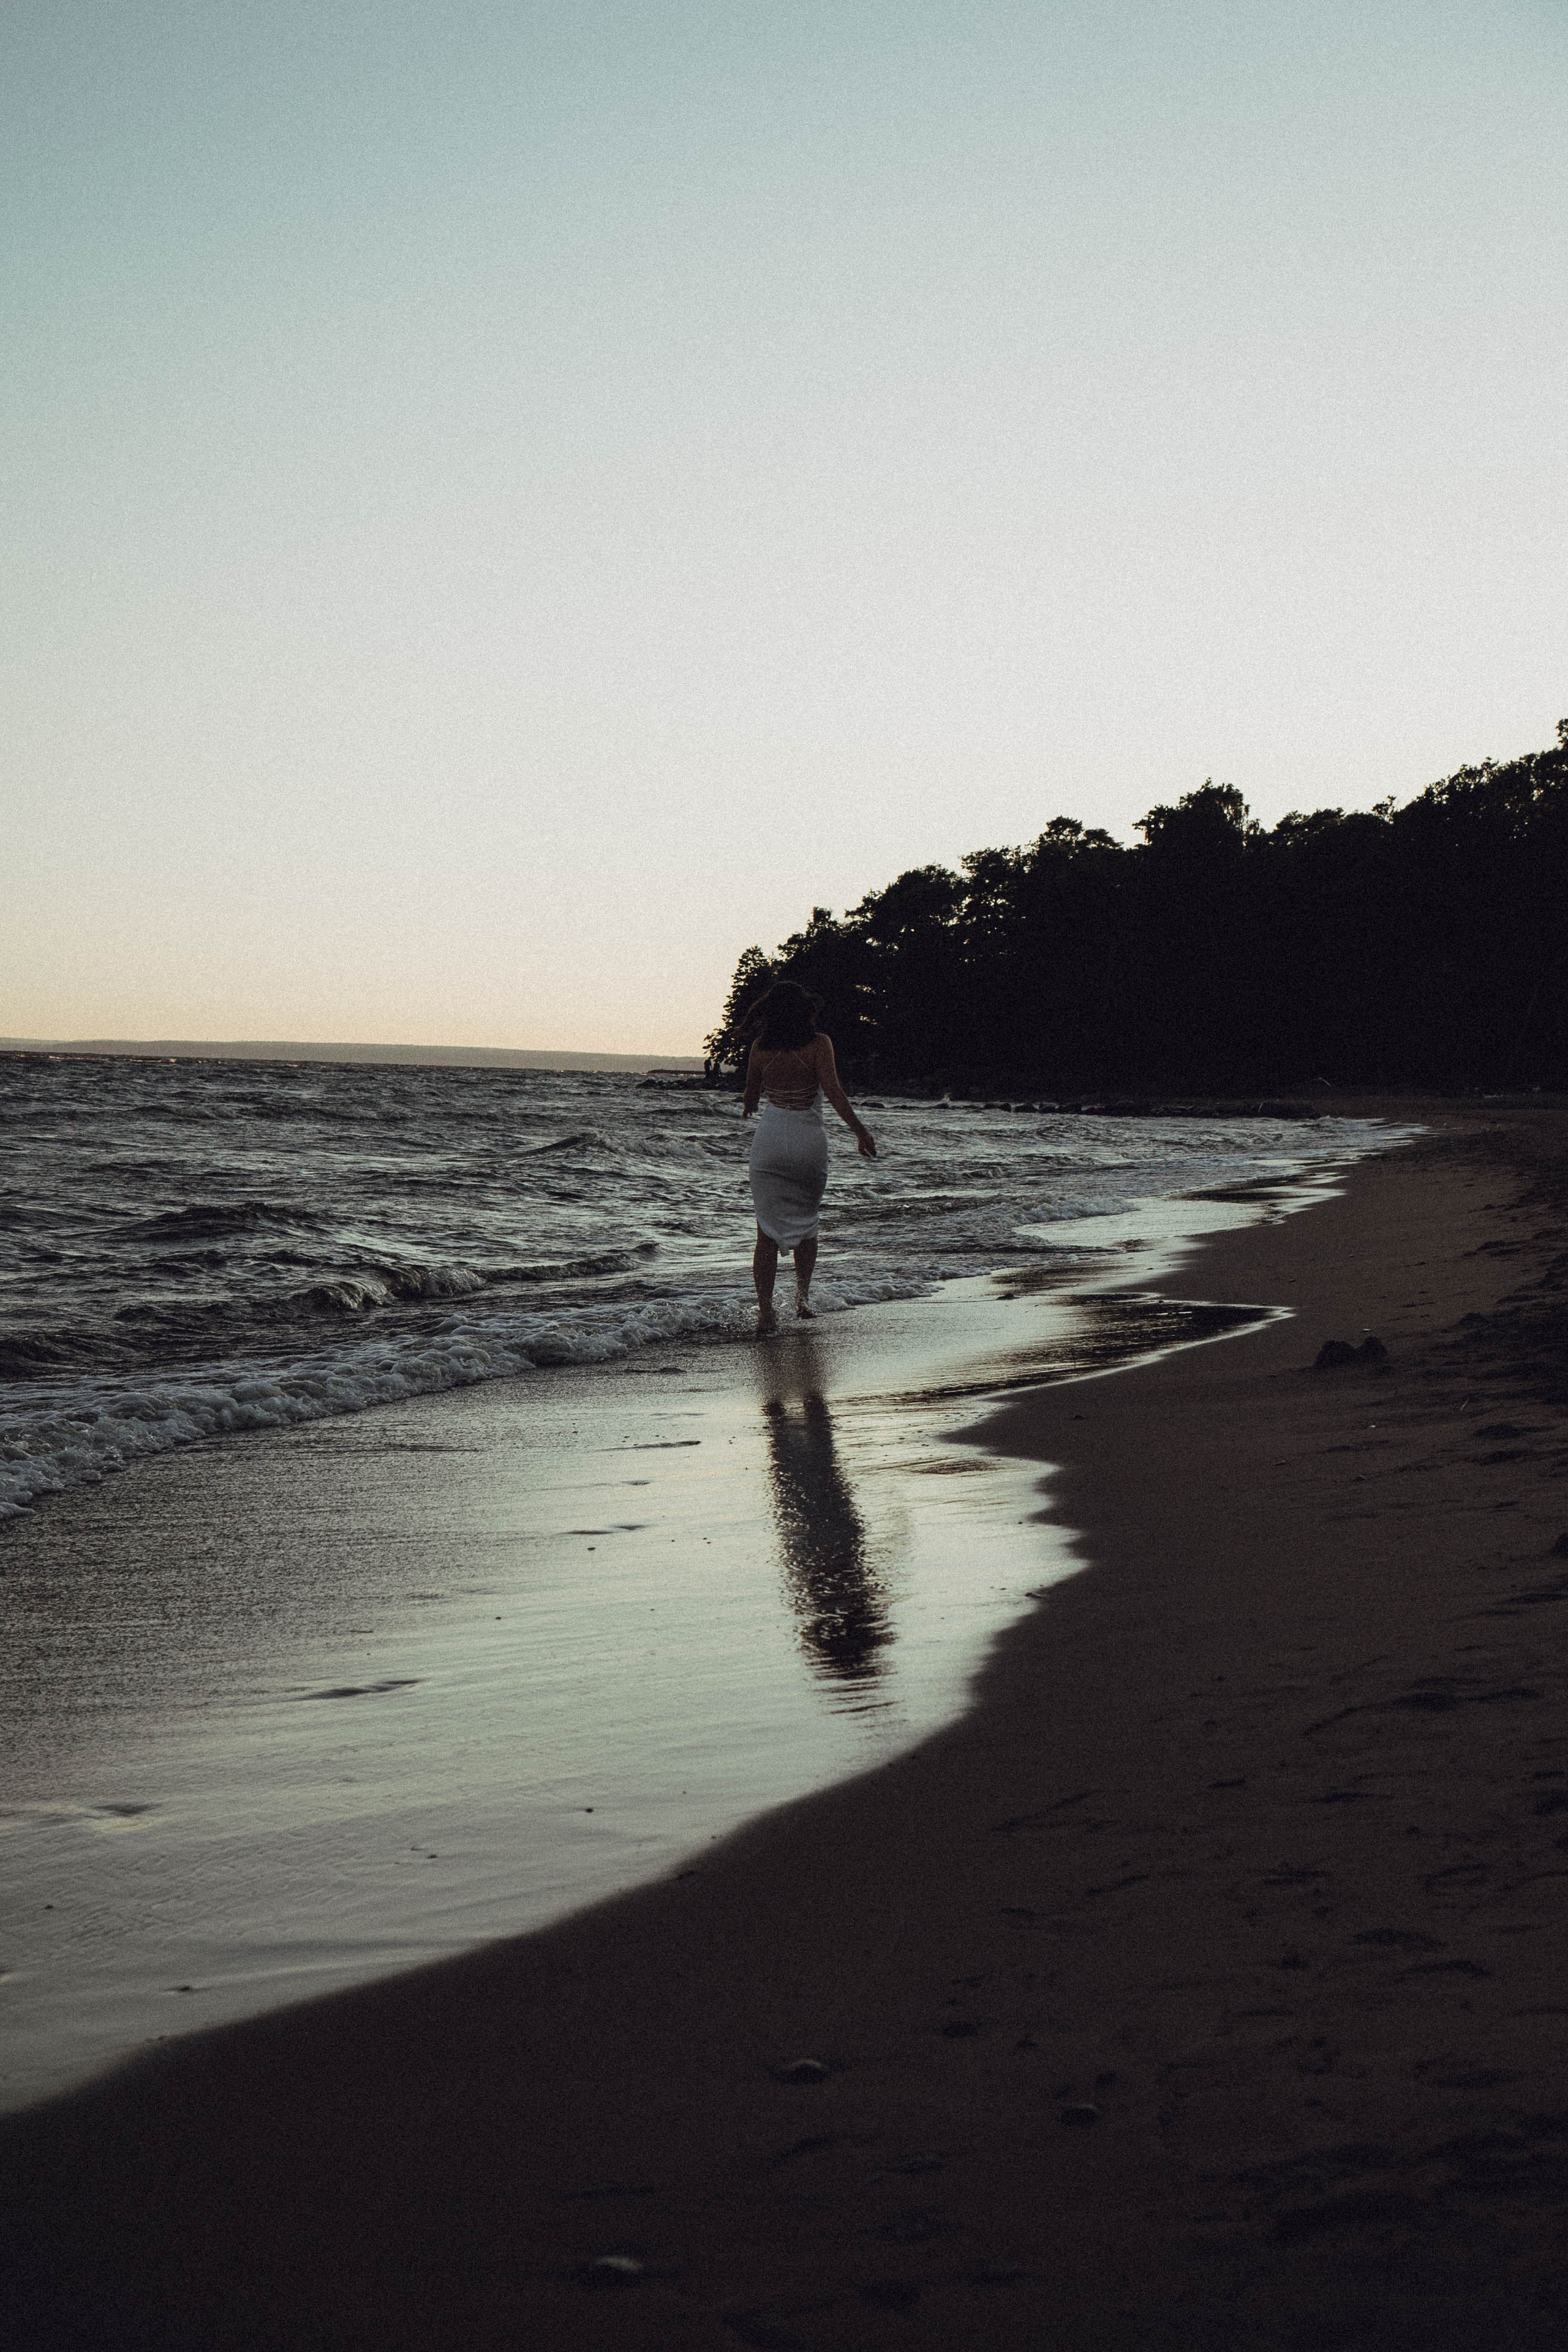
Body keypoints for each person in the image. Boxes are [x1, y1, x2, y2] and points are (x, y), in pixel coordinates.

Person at [741, 982, 876, 1334]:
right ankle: (802, 1300)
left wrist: (752, 1101)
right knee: (808, 1223)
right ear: (805, 1010)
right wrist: (860, 1131)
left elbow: (751, 1095)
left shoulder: (759, 1047)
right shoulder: (820, 1044)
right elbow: (833, 1091)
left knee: (765, 1233)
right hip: (807, 1144)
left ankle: (766, 1312)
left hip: (770, 1143)